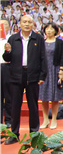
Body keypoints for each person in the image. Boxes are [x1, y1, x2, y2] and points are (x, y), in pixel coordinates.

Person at [2, 15, 47, 144]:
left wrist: (42, 75)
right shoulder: (13, 38)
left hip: (33, 75)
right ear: (20, 24)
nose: (27, 24)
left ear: (33, 24)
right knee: (15, 106)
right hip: (16, 75)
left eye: (29, 22)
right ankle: (14, 134)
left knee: (33, 106)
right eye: (24, 22)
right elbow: (7, 58)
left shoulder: (38, 38)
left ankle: (34, 134)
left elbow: (43, 58)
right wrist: (7, 52)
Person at [38, 23, 63, 130]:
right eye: (47, 29)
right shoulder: (41, 42)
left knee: (55, 97)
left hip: (55, 70)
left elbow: (62, 57)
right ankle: (45, 120)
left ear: (55, 31)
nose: (49, 31)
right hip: (43, 71)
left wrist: (61, 70)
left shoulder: (60, 43)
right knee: (44, 97)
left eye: (51, 29)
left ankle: (54, 119)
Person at [1, 18, 11, 124]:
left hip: (8, 67)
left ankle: (9, 120)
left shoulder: (11, 39)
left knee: (8, 95)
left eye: (5, 25)